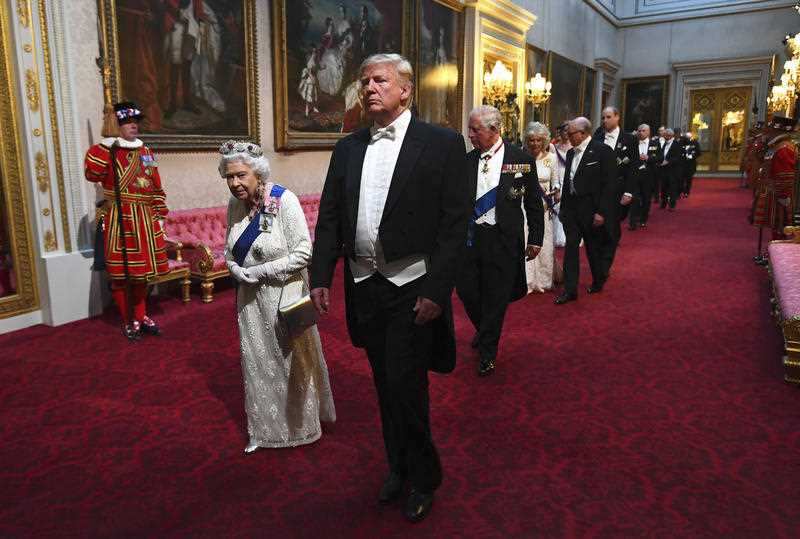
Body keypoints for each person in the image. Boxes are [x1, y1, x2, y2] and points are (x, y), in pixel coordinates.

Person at [310, 53, 469, 522]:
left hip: (411, 285)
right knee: (385, 384)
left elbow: (454, 225)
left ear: (405, 90)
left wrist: (437, 291)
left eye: (379, 80)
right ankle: (397, 466)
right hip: (365, 285)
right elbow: (330, 217)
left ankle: (424, 476)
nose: (369, 88)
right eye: (364, 82)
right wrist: (322, 275)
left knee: (406, 385)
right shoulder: (349, 147)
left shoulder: (441, 144)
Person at [221, 140, 335, 453]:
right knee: (258, 365)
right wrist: (233, 266)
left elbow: (303, 252)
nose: (235, 183)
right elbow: (229, 248)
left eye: (241, 175)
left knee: (290, 363)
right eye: (229, 177)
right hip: (250, 303)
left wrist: (258, 272)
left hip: (285, 297)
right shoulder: (234, 205)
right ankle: (264, 431)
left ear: (257, 173)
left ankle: (301, 427)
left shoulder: (283, 201)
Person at [456, 107, 543, 376]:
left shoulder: (521, 160)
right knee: (467, 292)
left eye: (475, 130)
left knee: (496, 297)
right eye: (469, 129)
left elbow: (533, 203)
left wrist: (536, 238)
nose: (470, 135)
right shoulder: (466, 161)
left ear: (494, 130)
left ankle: (488, 351)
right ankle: (485, 330)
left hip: (503, 240)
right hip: (470, 239)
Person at [84, 102, 170, 340]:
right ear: (116, 124)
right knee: (122, 274)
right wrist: (104, 146)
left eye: (135, 122)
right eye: (126, 122)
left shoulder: (146, 152)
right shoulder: (105, 151)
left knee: (142, 274)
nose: (134, 125)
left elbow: (156, 185)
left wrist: (159, 215)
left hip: (145, 218)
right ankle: (127, 319)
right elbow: (92, 174)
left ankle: (141, 316)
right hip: (120, 219)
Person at [554, 117, 617, 305]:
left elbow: (610, 185)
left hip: (592, 210)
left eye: (571, 133)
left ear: (583, 133)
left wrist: (602, 212)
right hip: (572, 210)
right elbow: (568, 182)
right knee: (571, 249)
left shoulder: (603, 152)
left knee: (593, 249)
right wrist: (564, 209)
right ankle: (570, 290)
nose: (567, 136)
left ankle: (599, 279)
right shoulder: (572, 153)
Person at [592, 107, 636, 278]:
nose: (604, 121)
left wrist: (629, 192)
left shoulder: (629, 139)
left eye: (608, 117)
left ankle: (605, 265)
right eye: (602, 117)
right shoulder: (597, 136)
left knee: (611, 229)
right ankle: (600, 261)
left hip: (618, 191)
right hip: (598, 192)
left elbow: (633, 167)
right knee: (597, 230)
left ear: (617, 117)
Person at [524, 121, 560, 292]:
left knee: (544, 244)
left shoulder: (552, 159)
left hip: (545, 208)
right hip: (525, 208)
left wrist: (555, 193)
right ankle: (527, 281)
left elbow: (557, 184)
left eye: (539, 140)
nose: (535, 143)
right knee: (526, 242)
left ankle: (544, 280)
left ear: (545, 140)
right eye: (532, 140)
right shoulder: (521, 157)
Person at [628, 124, 662, 230]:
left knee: (646, 198)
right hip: (635, 175)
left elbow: (660, 157)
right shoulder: (632, 143)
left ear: (648, 132)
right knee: (634, 198)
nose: (641, 132)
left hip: (649, 176)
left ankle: (643, 219)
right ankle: (632, 221)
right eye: (639, 131)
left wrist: (649, 158)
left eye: (643, 131)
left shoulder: (655, 143)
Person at [552, 123, 571, 247]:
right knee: (557, 206)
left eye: (568, 131)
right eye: (563, 130)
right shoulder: (554, 147)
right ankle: (557, 235)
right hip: (557, 176)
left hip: (570, 177)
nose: (565, 133)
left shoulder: (574, 147)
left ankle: (568, 235)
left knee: (569, 206)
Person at [658, 128, 684, 211]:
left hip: (673, 170)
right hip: (664, 169)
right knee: (663, 187)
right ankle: (663, 203)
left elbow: (678, 157)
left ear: (669, 135)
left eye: (665, 134)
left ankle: (672, 205)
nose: (663, 135)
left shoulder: (677, 144)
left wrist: (668, 161)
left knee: (672, 188)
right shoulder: (665, 143)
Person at [681, 131, 701, 197]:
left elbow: (699, 152)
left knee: (689, 179)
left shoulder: (695, 143)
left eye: (689, 137)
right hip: (683, 164)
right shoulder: (681, 142)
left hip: (691, 164)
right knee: (681, 179)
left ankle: (687, 191)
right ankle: (682, 190)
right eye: (686, 137)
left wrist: (692, 156)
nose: (688, 139)